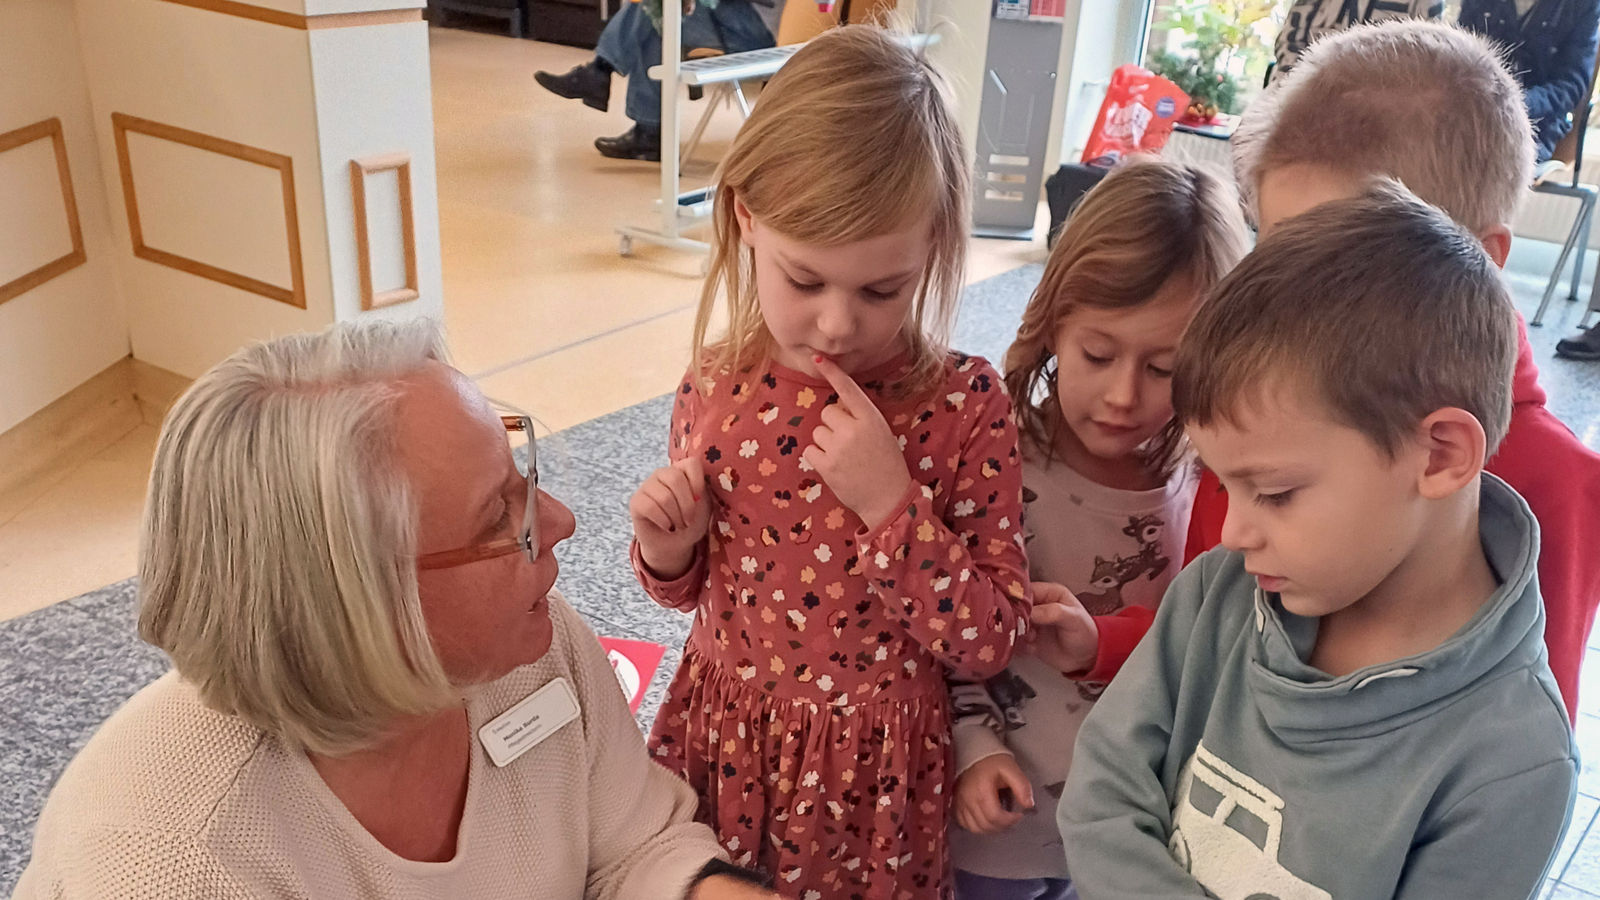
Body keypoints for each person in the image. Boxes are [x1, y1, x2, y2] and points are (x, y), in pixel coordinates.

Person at [12, 320, 776, 900]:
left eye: (524, 479)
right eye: (497, 520)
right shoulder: (166, 862)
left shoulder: (530, 646)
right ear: (359, 605)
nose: (561, 521)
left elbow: (639, 850)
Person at [1058, 183, 1578, 900]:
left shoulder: (1513, 762)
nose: (1234, 534)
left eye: (1274, 493)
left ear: (1439, 456)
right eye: (1222, 484)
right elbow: (1102, 791)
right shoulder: (1218, 594)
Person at [628, 25, 1031, 899]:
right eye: (804, 280)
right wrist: (669, 547)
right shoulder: (717, 382)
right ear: (744, 220)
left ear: (929, 254)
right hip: (724, 742)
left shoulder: (964, 407)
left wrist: (896, 510)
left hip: (872, 784)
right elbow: (689, 593)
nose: (839, 324)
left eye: (882, 289)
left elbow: (992, 637)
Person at [1205, 20, 1600, 723]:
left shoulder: (1559, 484)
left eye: (1338, 276)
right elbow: (1201, 636)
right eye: (1274, 262)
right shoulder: (1254, 420)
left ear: (1478, 258)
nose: (1285, 307)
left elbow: (1529, 744)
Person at [946, 158, 1249, 900]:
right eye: (1098, 354)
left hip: (1130, 834)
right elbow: (946, 630)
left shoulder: (1210, 482)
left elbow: (1204, 643)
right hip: (1000, 826)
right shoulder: (996, 463)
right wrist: (972, 750)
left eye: (1163, 368)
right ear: (1052, 326)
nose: (1122, 396)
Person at [535, 0, 779, 161]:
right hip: (736, 20)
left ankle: (601, 73)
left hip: (756, 30)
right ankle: (647, 132)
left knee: (658, 11)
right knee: (657, 20)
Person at [1270, 0, 1441, 78]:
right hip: (1298, 99)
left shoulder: (1426, 4)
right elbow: (1289, 42)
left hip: (1374, 109)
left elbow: (1423, 64)